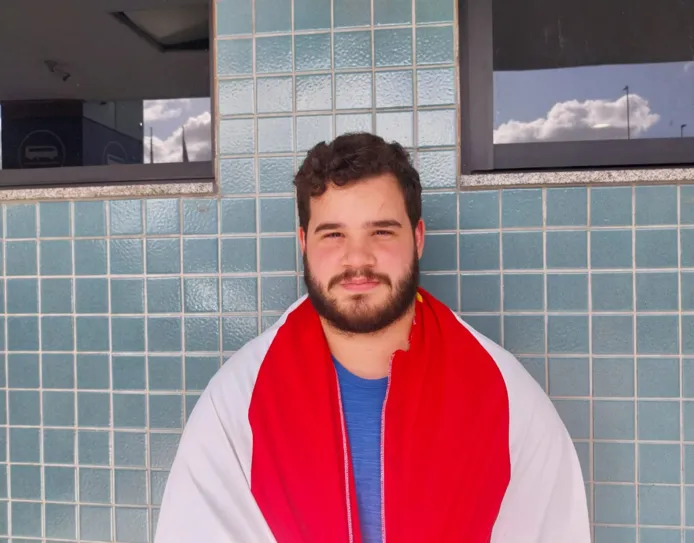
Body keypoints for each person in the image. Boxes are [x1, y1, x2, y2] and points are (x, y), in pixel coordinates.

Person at [154, 133, 591, 543]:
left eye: (381, 231)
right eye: (334, 234)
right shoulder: (238, 402)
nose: (357, 259)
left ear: (417, 239)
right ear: (304, 243)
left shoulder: (503, 396)